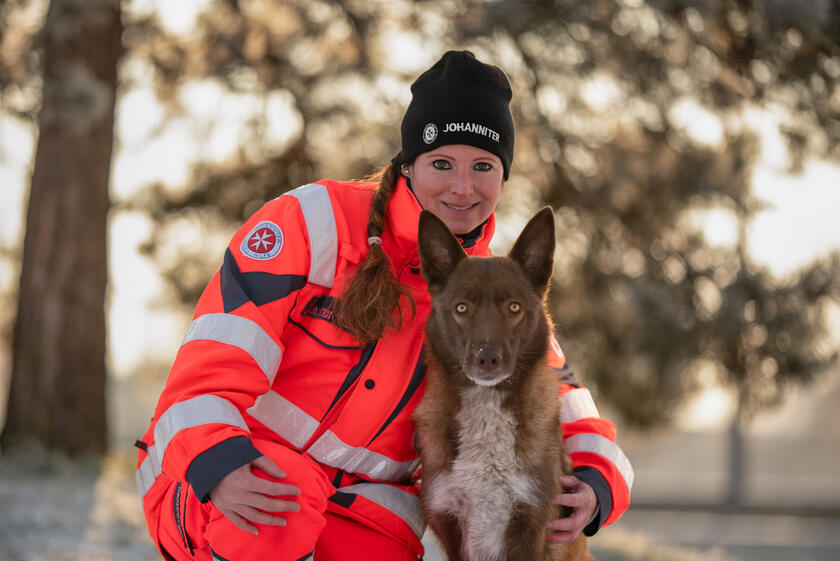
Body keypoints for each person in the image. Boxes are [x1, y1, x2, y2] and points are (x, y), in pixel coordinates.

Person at [135, 50, 633, 561]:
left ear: (503, 179)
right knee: (281, 509)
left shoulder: (490, 290)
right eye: (442, 164)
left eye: (483, 166)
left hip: (359, 503)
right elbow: (207, 373)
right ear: (409, 165)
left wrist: (597, 482)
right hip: (231, 473)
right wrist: (218, 462)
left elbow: (563, 397)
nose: (463, 187)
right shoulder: (312, 222)